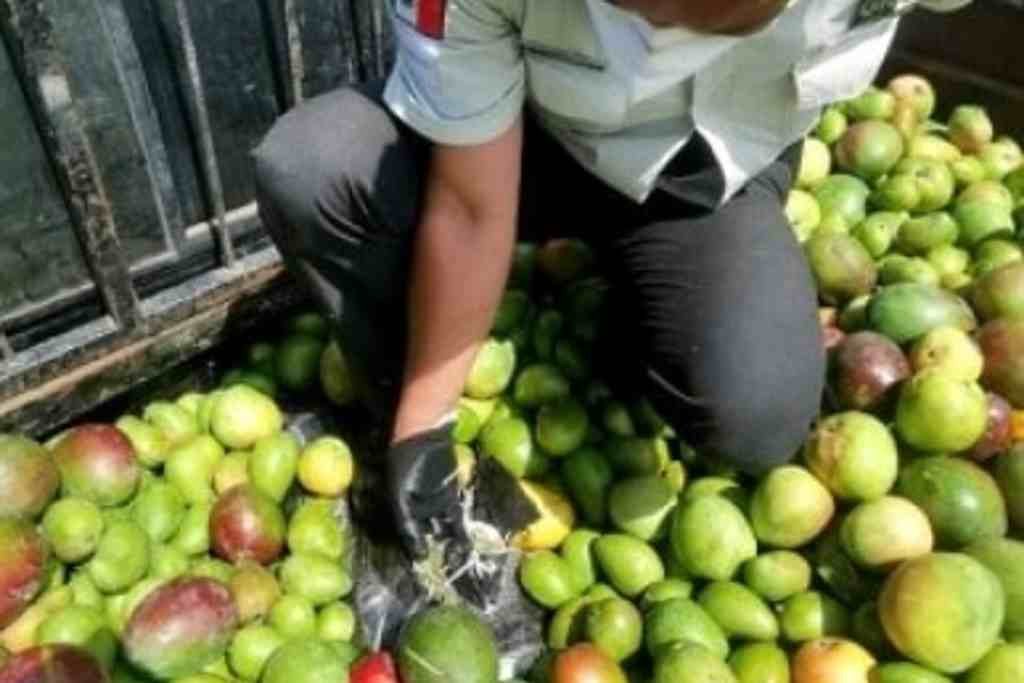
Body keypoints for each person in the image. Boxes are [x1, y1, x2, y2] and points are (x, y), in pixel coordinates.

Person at [253, 0, 970, 558]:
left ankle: (624, 306)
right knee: (316, 167)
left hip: (707, 180)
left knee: (757, 416)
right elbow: (470, 206)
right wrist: (423, 426)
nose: (652, 24)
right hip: (527, 143)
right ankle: (402, 373)